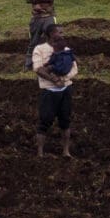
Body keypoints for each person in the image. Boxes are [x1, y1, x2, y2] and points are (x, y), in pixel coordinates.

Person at [31, 22, 79, 158]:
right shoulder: (39, 49)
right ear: (51, 34)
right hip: (49, 91)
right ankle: (40, 153)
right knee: (44, 121)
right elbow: (38, 69)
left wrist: (63, 80)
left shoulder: (66, 48)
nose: (62, 35)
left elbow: (75, 69)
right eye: (60, 32)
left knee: (65, 120)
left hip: (65, 90)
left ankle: (66, 151)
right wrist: (54, 80)